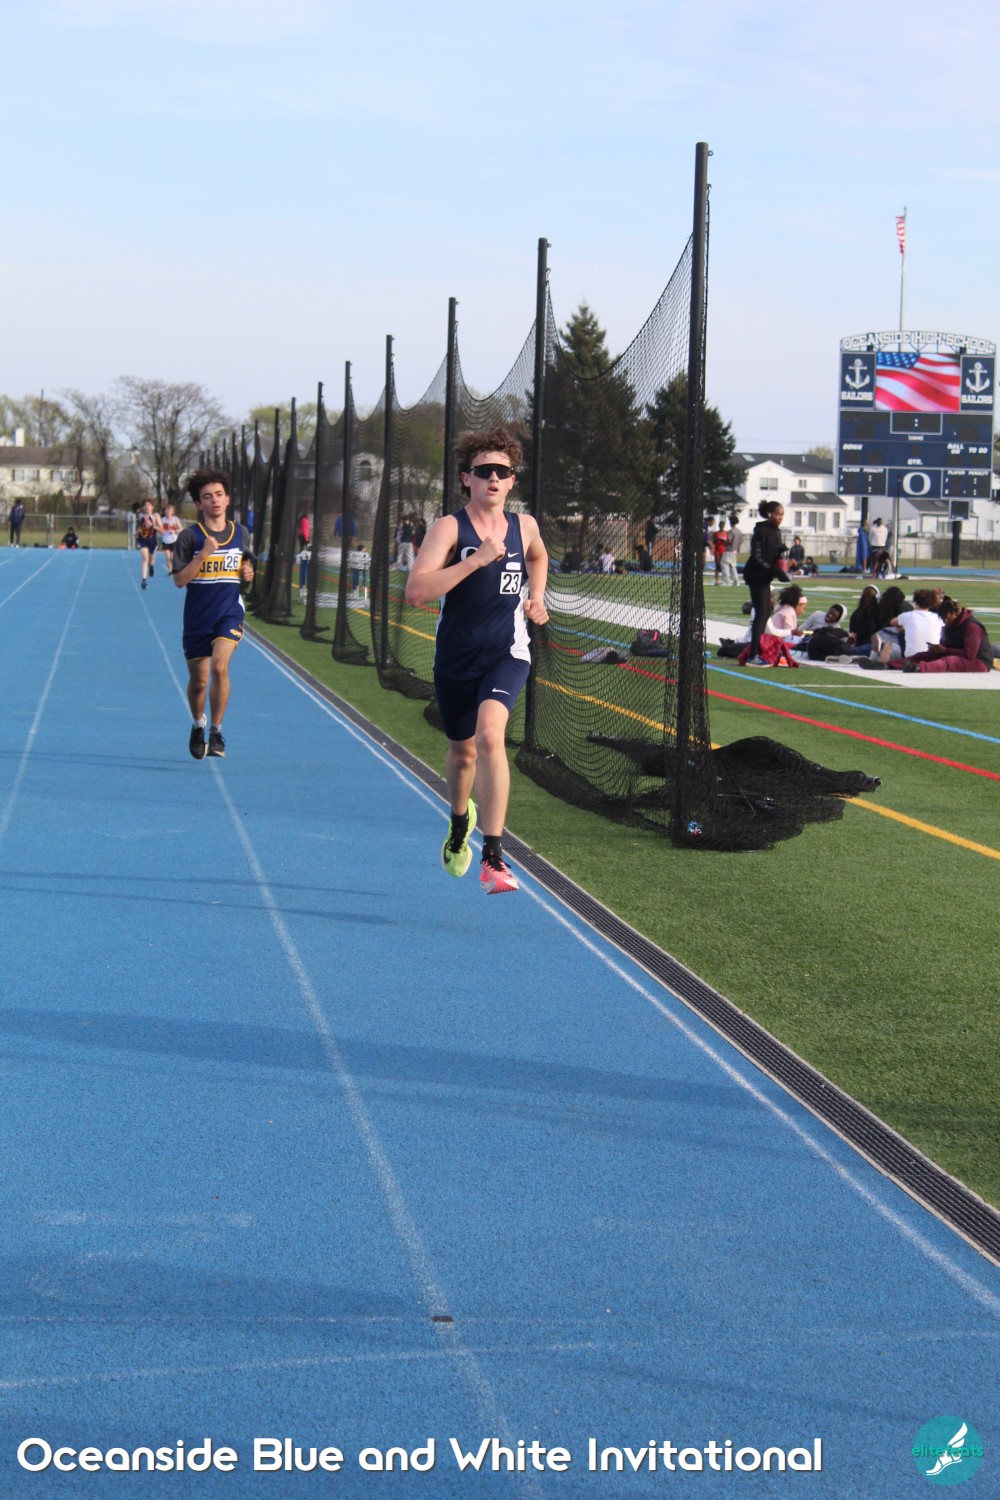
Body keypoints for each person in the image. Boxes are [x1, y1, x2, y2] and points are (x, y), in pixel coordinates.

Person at [405, 426, 548, 894]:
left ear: (512, 481)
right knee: (462, 752)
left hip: (507, 652)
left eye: (502, 472)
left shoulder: (525, 526)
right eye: (483, 471)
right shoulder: (449, 528)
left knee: (490, 736)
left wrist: (537, 597)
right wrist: (475, 561)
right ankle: (458, 820)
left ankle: (494, 854)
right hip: (455, 657)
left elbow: (539, 556)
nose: (493, 478)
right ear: (466, 478)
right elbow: (416, 592)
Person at [171, 468, 254, 760]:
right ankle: (198, 725)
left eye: (219, 495)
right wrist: (203, 554)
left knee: (220, 667)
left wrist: (248, 572)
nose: (215, 500)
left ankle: (217, 732)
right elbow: (180, 580)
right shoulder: (189, 537)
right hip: (197, 619)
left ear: (228, 499)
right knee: (199, 683)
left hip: (229, 614)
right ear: (199, 504)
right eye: (207, 497)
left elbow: (245, 565)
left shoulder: (240, 533)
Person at [743, 501, 790, 660]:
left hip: (765, 575)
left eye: (782, 514)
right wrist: (775, 569)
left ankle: (757, 650)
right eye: (777, 514)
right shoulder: (761, 531)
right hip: (756, 575)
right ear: (769, 514)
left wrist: (782, 557)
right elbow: (757, 558)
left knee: (766, 612)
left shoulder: (776, 531)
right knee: (762, 612)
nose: (780, 517)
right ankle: (753, 654)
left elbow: (774, 553)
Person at [903, 597, 993, 675]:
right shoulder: (950, 625)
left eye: (947, 617)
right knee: (925, 655)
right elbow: (946, 646)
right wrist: (937, 649)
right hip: (959, 657)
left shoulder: (972, 626)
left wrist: (944, 650)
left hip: (979, 662)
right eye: (943, 618)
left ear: (954, 613)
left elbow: (969, 655)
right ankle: (897, 664)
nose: (945, 620)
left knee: (950, 661)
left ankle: (919, 668)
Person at [135, 500, 161, 588]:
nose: (147, 506)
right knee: (145, 559)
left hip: (153, 541)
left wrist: (152, 525)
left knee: (151, 561)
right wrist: (137, 533)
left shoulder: (156, 516)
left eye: (149, 505)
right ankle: (144, 580)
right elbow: (141, 527)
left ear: (152, 507)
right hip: (143, 540)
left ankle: (152, 566)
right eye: (145, 505)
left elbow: (162, 530)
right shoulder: (141, 516)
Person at [719, 513, 742, 586]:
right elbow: (741, 541)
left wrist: (724, 542)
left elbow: (729, 540)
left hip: (728, 550)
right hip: (735, 550)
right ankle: (736, 581)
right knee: (733, 566)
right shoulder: (739, 531)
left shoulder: (731, 531)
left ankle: (727, 581)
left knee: (724, 564)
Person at [159, 502, 183, 575]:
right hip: (165, 541)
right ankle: (170, 570)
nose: (167, 512)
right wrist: (161, 531)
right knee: (167, 557)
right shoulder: (162, 520)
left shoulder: (175, 519)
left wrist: (174, 531)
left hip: (174, 540)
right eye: (166, 511)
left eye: (169, 511)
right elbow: (159, 529)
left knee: (172, 557)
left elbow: (181, 529)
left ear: (172, 512)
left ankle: (176, 567)